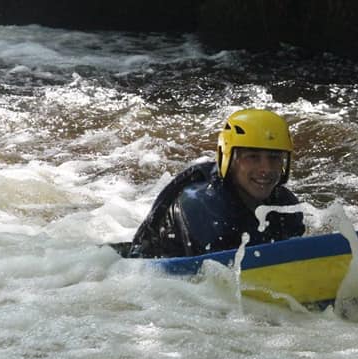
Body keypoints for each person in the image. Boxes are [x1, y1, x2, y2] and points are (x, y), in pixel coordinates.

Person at [129, 108, 305, 258]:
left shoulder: (285, 203)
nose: (266, 168)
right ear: (228, 159)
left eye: (274, 158)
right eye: (253, 157)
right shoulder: (201, 205)